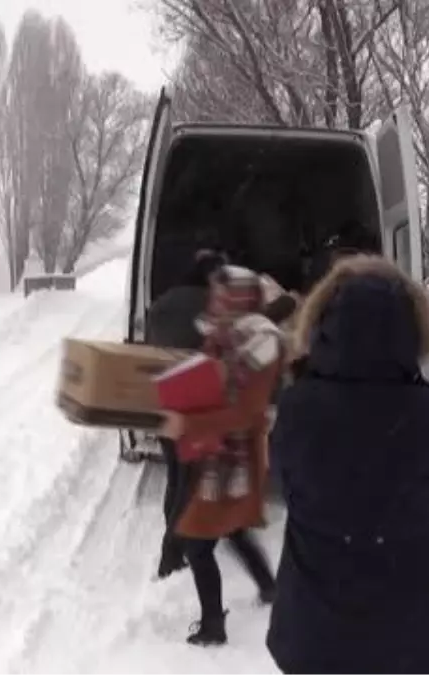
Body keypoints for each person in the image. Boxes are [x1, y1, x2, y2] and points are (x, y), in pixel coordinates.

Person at [266, 255, 429, 675]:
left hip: (316, 633)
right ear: (415, 328)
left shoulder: (298, 407)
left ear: (321, 322)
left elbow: (279, 483)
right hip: (413, 636)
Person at [157, 263, 283, 647]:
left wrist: (188, 426)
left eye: (219, 295)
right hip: (220, 452)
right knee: (228, 526)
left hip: (234, 456)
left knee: (197, 540)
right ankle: (269, 586)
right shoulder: (228, 334)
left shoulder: (259, 344)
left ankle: (214, 626)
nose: (212, 301)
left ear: (238, 300)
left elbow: (244, 412)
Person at [145, 249, 229, 580]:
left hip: (165, 401)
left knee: (176, 478)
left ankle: (173, 541)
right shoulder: (211, 308)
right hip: (196, 405)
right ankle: (171, 552)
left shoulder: (162, 303)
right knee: (190, 483)